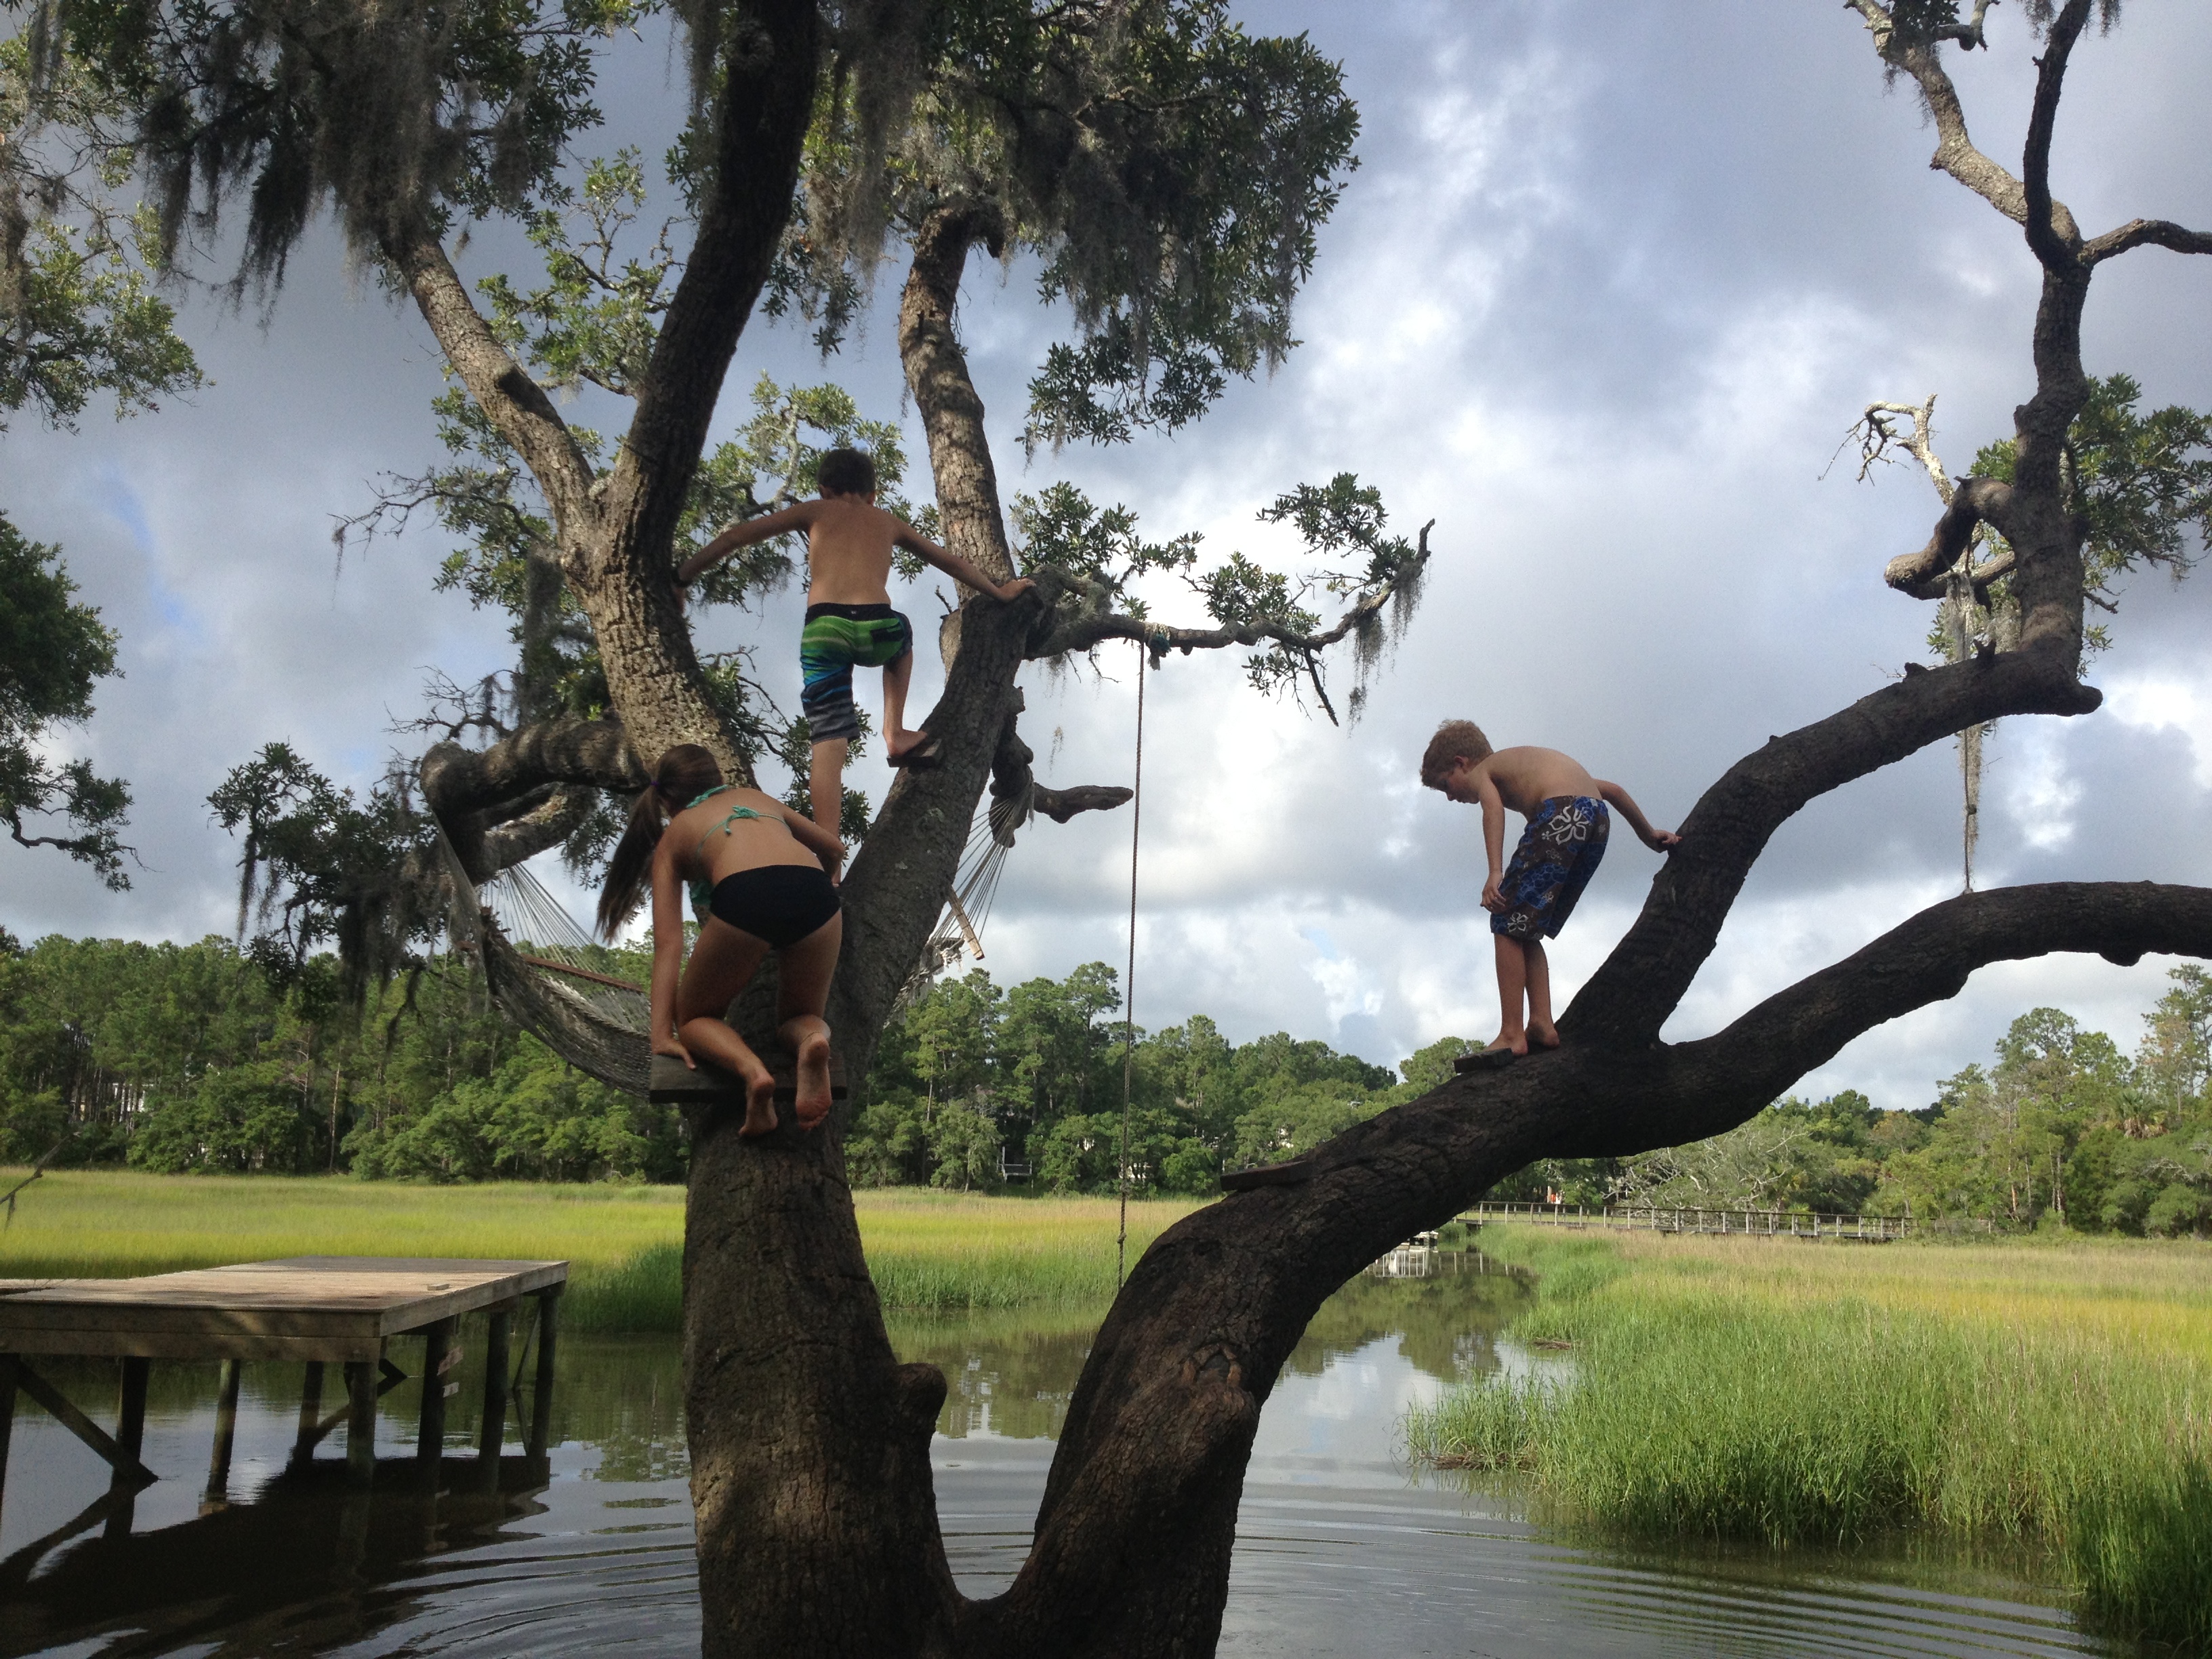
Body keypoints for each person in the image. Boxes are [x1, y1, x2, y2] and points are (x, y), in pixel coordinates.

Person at [676, 447, 1035, 851]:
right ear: (872, 495)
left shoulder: (813, 510)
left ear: (825, 489)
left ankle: (828, 847)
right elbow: (951, 562)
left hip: (824, 630)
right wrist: (1001, 593)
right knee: (902, 634)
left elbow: (736, 536)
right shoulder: (886, 520)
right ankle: (895, 732)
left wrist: (683, 578)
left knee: (828, 741)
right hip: (875, 626)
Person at [596, 743, 848, 1136]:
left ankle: (754, 1075)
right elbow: (834, 848)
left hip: (747, 895)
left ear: (664, 799)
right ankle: (813, 1040)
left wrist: (663, 1034)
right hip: (816, 893)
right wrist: (824, 885)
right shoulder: (756, 798)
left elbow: (669, 944)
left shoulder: (673, 836)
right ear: (717, 778)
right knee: (798, 1018)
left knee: (696, 1018)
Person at [1419, 720, 1680, 1061]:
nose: (1451, 796)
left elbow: (1493, 810)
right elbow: (1612, 791)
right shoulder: (1528, 766)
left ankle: (1512, 1032)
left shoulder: (1485, 770)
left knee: (1504, 919)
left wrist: (1495, 872)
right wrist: (1648, 835)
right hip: (1596, 822)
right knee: (1527, 930)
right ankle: (1542, 1022)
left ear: (1461, 762)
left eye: (1446, 786)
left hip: (1561, 815)